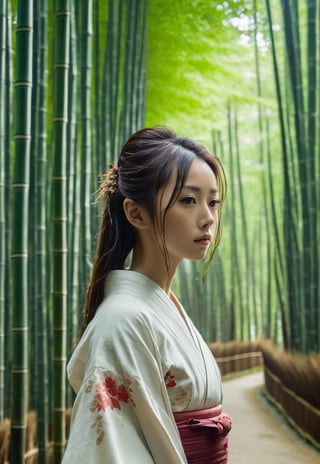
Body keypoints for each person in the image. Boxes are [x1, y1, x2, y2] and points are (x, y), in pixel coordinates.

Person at [62, 126, 231, 463]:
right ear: (136, 212)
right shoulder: (124, 318)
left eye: (213, 202)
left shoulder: (160, 306)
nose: (208, 218)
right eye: (188, 200)